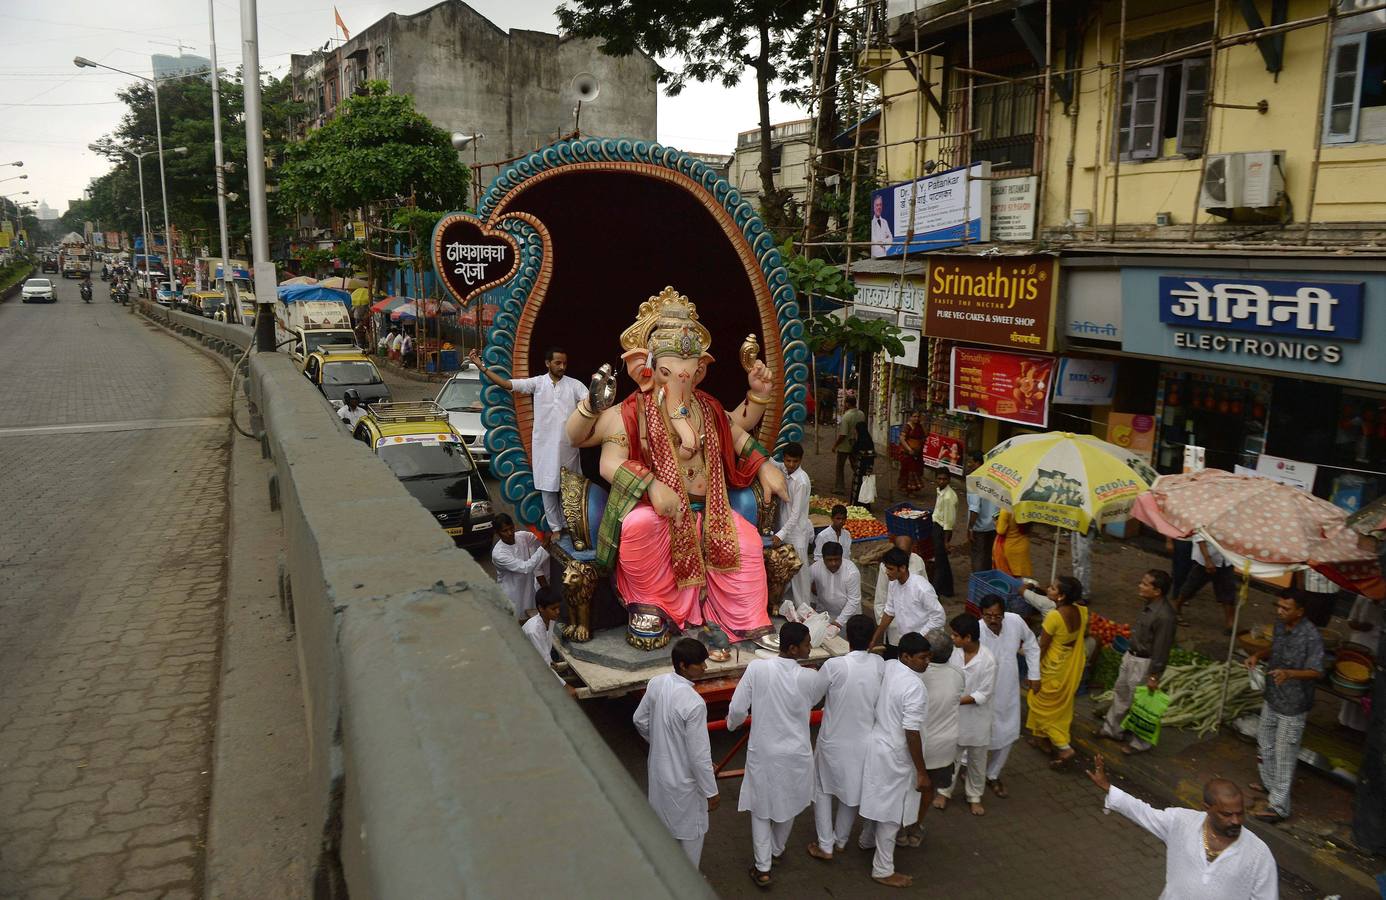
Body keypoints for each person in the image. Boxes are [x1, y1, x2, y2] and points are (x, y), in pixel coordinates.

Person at [1086, 755, 1278, 898]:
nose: (1236, 821)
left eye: (1240, 813)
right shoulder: (1181, 822)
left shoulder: (1258, 854)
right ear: (1207, 809)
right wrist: (1108, 788)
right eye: (1227, 814)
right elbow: (1144, 812)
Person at [727, 622, 827, 887]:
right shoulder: (811, 677)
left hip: (765, 752)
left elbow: (737, 709)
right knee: (790, 803)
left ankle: (763, 867)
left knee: (761, 809)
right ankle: (776, 850)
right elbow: (814, 700)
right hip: (797, 753)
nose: (810, 647)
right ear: (793, 649)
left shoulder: (757, 669)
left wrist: (731, 725)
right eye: (807, 643)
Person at [470, 345, 587, 533]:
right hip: (545, 447)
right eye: (558, 363)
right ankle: (556, 530)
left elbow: (589, 402)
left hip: (568, 447)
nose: (562, 367)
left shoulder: (575, 385)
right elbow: (507, 384)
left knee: (570, 490)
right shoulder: (538, 383)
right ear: (548, 363)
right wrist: (482, 367)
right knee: (548, 490)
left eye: (564, 363)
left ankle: (572, 529)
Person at [632, 638, 720, 867]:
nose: (705, 667)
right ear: (683, 665)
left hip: (660, 774)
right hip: (685, 783)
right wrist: (711, 791)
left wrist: (660, 743)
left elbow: (639, 720)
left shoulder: (657, 683)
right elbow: (699, 756)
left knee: (663, 827)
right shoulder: (695, 703)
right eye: (699, 663)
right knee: (692, 833)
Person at [806, 615, 882, 862]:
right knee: (851, 792)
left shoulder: (834, 666)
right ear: (872, 638)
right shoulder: (879, 665)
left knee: (823, 790)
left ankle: (825, 844)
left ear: (847, 638)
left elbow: (813, 696)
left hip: (833, 740)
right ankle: (840, 840)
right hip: (864, 741)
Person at [857, 631, 930, 888]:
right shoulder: (914, 687)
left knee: (876, 795)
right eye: (922, 658)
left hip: (877, 744)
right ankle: (883, 868)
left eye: (928, 657)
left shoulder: (889, 667)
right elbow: (912, 733)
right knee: (891, 813)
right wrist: (921, 771)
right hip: (896, 755)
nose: (926, 662)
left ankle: (866, 840)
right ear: (906, 656)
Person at [1245, 590, 1325, 823]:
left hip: (1294, 703)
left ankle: (1279, 806)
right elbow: (1275, 648)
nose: (1280, 611)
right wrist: (1258, 655)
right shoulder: (1280, 626)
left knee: (1285, 752)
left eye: (1286, 608)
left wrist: (1290, 674)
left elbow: (1317, 671)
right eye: (1278, 606)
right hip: (1273, 696)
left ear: (1300, 611)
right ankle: (1270, 784)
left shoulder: (1311, 636)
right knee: (1264, 741)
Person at [896, 628, 960, 848]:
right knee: (928, 790)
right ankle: (915, 827)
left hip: (917, 747)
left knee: (907, 789)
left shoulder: (914, 676)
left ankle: (900, 829)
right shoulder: (957, 674)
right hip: (943, 748)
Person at [1100, 570, 1177, 754]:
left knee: (1141, 704)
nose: (1140, 586)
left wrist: (1154, 675)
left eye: (1145, 584)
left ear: (1157, 591)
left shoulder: (1165, 616)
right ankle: (1112, 729)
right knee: (1122, 693)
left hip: (1144, 663)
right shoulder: (1149, 605)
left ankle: (1140, 743)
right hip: (1131, 656)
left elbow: (1162, 648)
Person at [977, 594, 1040, 798]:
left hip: (1008, 690)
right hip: (981, 693)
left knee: (1008, 732)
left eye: (997, 615)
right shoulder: (976, 630)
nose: (993, 620)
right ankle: (971, 771)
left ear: (1004, 614)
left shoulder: (1015, 621)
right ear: (982, 614)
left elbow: (1030, 643)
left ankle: (993, 774)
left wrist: (1034, 674)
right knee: (977, 735)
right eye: (989, 616)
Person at [934, 614, 996, 815]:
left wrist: (955, 700)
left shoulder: (988, 660)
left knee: (977, 762)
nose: (952, 638)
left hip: (977, 720)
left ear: (968, 638)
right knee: (951, 758)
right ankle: (944, 792)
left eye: (956, 635)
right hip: (955, 718)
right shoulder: (954, 654)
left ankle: (974, 796)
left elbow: (983, 694)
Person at [1025, 576, 1088, 769]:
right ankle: (1040, 739)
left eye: (1052, 588)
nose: (1048, 589)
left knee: (1041, 706)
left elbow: (1042, 647)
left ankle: (1063, 747)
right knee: (1054, 707)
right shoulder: (1082, 611)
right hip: (1068, 666)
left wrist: (1033, 673)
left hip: (1051, 668)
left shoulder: (1054, 616)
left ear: (1061, 596)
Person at [869, 547, 945, 657]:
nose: (886, 572)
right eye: (886, 568)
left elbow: (939, 617)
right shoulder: (893, 583)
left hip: (924, 644)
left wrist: (919, 637)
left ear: (903, 568)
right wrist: (875, 638)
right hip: (906, 643)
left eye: (890, 569)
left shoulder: (922, 588)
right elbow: (889, 611)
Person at [774, 442, 813, 609]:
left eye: (795, 462)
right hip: (784, 529)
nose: (791, 465)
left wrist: (780, 534)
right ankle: (789, 608)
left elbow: (796, 514)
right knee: (785, 571)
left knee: (799, 575)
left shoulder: (801, 481)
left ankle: (804, 609)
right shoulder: (783, 468)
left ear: (801, 460)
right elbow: (771, 462)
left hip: (796, 533)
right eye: (788, 461)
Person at [491, 514, 551, 620]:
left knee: (531, 621)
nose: (510, 533)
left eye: (511, 528)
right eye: (505, 531)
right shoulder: (499, 554)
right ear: (497, 533)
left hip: (529, 591)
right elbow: (525, 568)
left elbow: (539, 538)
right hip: (512, 595)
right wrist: (544, 545)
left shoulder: (522, 536)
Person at [1340, 593, 1382, 730]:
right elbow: (1351, 620)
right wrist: (1360, 626)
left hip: (1377, 648)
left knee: (1368, 687)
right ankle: (1345, 721)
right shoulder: (1362, 598)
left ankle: (1362, 726)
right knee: (1352, 683)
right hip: (1358, 643)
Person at [1176, 536, 1237, 631]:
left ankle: (1230, 623)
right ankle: (1177, 610)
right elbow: (1199, 538)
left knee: (1228, 591)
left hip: (1226, 560)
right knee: (1190, 587)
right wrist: (1207, 559)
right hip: (1204, 561)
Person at [873, 535, 927, 627]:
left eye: (906, 554)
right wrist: (883, 623)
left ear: (912, 549)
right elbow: (881, 596)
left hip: (916, 621)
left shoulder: (918, 560)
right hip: (895, 624)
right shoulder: (885, 566)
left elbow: (925, 586)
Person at [808, 542, 862, 628]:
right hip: (824, 614)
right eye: (829, 560)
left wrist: (839, 622)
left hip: (848, 617)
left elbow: (854, 600)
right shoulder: (815, 568)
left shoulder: (852, 572)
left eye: (837, 559)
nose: (833, 563)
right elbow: (805, 585)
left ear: (841, 557)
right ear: (823, 558)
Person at [966, 454, 1000, 577]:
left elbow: (975, 508)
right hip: (994, 525)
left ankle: (978, 585)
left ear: (979, 463)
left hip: (979, 527)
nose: (969, 465)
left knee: (978, 557)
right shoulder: (994, 479)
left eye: (971, 462)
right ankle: (986, 583)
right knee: (988, 556)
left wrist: (970, 528)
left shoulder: (974, 479)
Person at [930, 470, 959, 597]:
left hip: (942, 531)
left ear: (949, 480)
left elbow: (949, 521)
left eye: (944, 479)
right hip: (937, 526)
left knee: (940, 563)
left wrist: (946, 541)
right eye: (939, 478)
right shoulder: (940, 491)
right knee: (943, 561)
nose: (941, 481)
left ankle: (935, 591)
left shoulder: (949, 497)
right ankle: (948, 590)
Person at [833, 398, 865, 494]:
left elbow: (843, 434)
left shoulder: (846, 417)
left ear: (847, 404)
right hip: (856, 444)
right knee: (856, 466)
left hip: (844, 445)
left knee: (840, 467)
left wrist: (835, 445)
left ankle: (839, 487)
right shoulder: (861, 414)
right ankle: (861, 485)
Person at [522, 587, 562, 663]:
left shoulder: (550, 620)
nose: (558, 611)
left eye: (558, 607)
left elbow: (546, 652)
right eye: (553, 609)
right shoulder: (533, 631)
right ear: (541, 608)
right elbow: (542, 662)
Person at [992, 508, 1033, 578]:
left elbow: (1001, 531)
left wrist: (996, 522)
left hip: (1009, 548)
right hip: (1023, 546)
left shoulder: (1006, 510)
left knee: (1007, 578)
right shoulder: (1028, 509)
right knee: (1018, 578)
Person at [850, 422, 877, 509]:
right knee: (865, 486)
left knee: (859, 485)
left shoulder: (860, 441)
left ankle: (857, 504)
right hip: (868, 467)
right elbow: (872, 455)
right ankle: (866, 504)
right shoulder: (869, 440)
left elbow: (854, 451)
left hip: (860, 466)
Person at [898, 412, 925, 496]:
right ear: (910, 417)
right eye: (914, 416)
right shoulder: (907, 427)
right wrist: (909, 449)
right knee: (909, 471)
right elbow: (902, 439)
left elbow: (924, 435)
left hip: (917, 453)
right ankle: (909, 490)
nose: (916, 418)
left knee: (916, 470)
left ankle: (912, 489)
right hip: (908, 453)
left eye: (918, 416)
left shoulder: (919, 426)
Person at [869, 193, 893, 258]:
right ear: (873, 206)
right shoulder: (871, 223)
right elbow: (874, 241)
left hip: (885, 255)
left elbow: (891, 239)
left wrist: (883, 242)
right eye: (877, 205)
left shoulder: (885, 222)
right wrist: (885, 239)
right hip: (875, 257)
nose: (879, 207)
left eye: (880, 205)